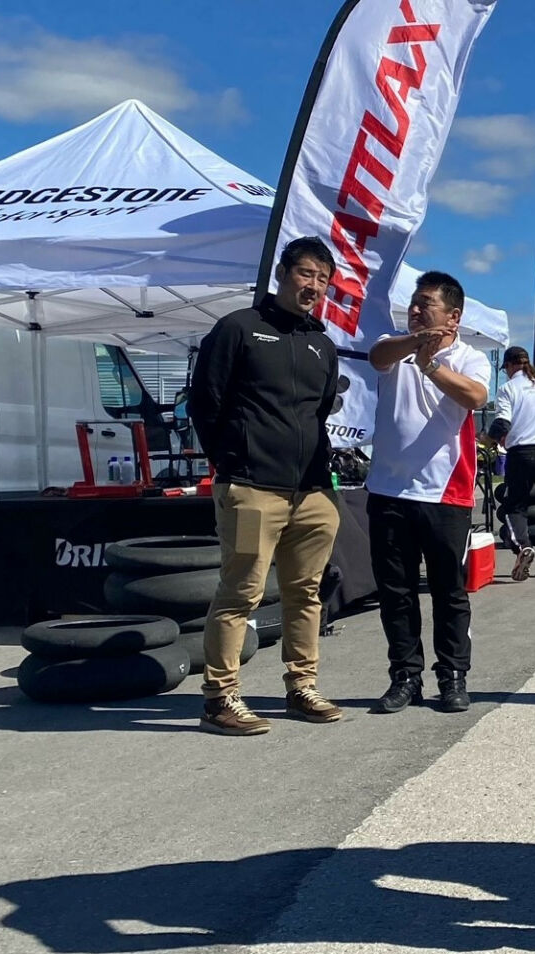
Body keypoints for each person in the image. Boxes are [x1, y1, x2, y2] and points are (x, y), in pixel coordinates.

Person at [187, 236, 346, 736]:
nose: (313, 286)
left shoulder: (322, 342)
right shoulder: (239, 329)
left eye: (322, 279)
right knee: (241, 593)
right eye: (305, 274)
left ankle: (301, 687)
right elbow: (204, 402)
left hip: (313, 491)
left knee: (307, 594)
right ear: (282, 273)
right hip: (253, 486)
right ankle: (219, 698)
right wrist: (231, 461)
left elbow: (319, 411)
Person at [366, 271, 492, 715]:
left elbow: (476, 396)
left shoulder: (470, 357)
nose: (416, 310)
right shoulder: (395, 345)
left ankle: (452, 675)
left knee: (448, 592)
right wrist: (414, 346)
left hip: (444, 494)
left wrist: (432, 364)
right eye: (414, 304)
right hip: (387, 490)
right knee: (395, 592)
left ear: (453, 316)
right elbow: (377, 355)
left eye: (427, 304)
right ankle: (405, 677)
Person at [489, 346, 535, 580]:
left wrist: (487, 438)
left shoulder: (508, 388)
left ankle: (523, 546)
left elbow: (502, 423)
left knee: (516, 506)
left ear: (510, 365)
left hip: (522, 453)